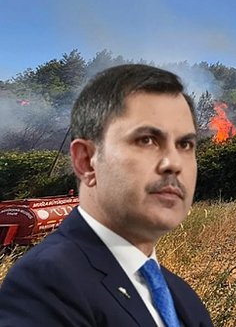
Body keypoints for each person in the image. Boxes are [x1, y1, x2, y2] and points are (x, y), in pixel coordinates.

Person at [0, 64, 214, 327]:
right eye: (146, 140)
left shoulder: (183, 297)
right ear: (87, 161)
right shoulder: (45, 285)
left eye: (185, 144)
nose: (174, 163)